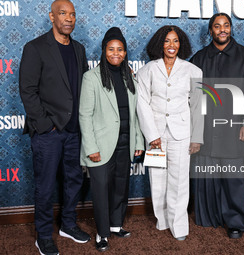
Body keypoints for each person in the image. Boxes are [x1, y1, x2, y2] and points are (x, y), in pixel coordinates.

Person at [19, 0, 90, 254]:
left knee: (73, 181)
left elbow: (84, 87)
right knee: (46, 185)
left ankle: (68, 225)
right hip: (48, 133)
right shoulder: (36, 48)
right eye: (63, 13)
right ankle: (43, 235)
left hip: (74, 131)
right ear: (51, 17)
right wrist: (45, 125)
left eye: (72, 14)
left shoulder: (79, 49)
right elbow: (27, 90)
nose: (69, 18)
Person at [190, 13, 244, 239]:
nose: (222, 30)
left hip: (234, 127)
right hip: (207, 128)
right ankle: (208, 217)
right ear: (210, 31)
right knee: (207, 174)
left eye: (226, 26)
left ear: (231, 29)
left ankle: (235, 222)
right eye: (217, 26)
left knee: (232, 178)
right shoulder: (199, 58)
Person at [79, 27, 144, 252]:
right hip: (101, 145)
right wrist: (90, 147)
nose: (115, 53)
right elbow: (84, 115)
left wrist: (138, 142)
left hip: (125, 143)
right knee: (100, 190)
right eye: (111, 49)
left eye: (120, 49)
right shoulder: (91, 78)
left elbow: (135, 113)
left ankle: (116, 225)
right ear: (104, 51)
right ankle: (102, 233)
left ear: (125, 53)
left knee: (120, 187)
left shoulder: (130, 78)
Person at [136, 25, 203, 241]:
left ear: (181, 44)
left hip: (181, 133)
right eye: (166, 41)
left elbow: (198, 106)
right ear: (159, 44)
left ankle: (179, 225)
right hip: (155, 134)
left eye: (175, 41)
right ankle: (162, 220)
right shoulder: (147, 70)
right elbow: (142, 103)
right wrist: (151, 134)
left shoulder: (193, 71)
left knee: (180, 180)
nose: (171, 45)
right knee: (157, 178)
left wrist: (196, 137)